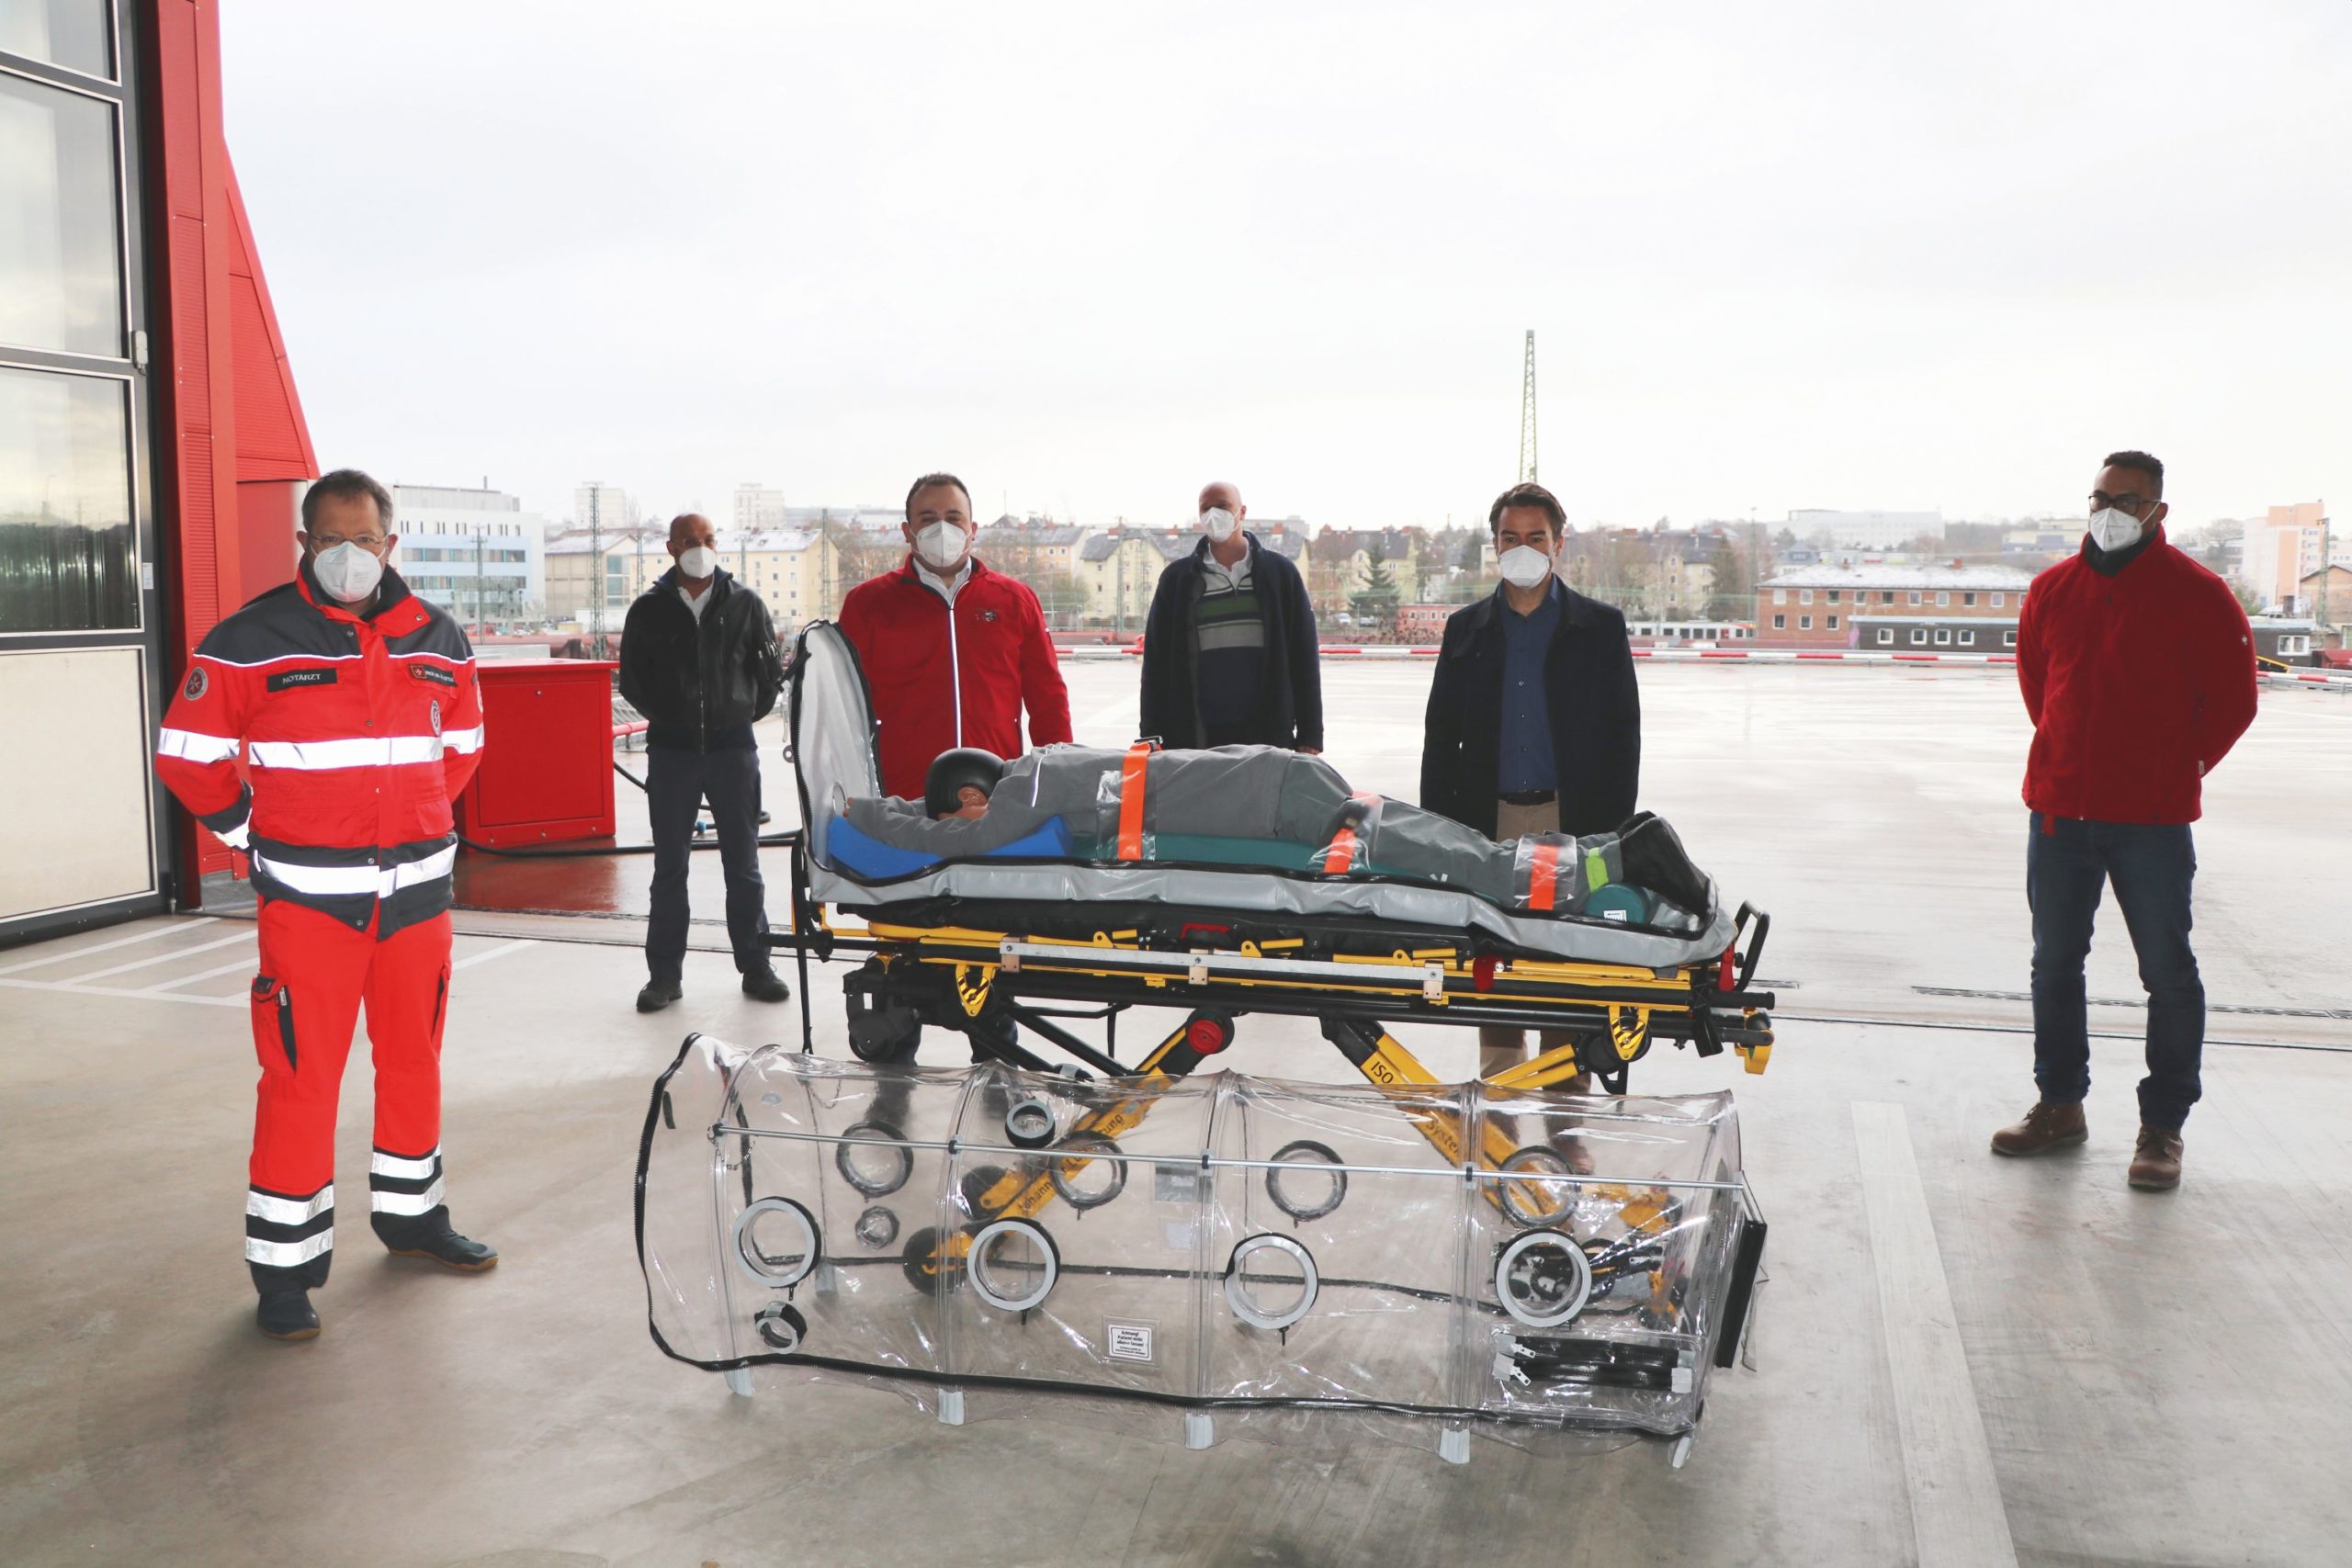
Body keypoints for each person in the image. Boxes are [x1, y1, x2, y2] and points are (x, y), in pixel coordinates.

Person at [154, 468, 494, 1342]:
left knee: (414, 1062)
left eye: (367, 539)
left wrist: (406, 830)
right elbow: (188, 756)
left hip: (416, 903)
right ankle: (285, 1270)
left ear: (392, 541)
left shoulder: (438, 635)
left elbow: (460, 750)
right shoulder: (250, 638)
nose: (351, 555)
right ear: (304, 543)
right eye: (331, 539)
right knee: (301, 1082)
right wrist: (255, 835)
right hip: (311, 908)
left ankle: (412, 1218)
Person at [1991, 451, 2256, 1192]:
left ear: (2158, 512)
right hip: (2060, 814)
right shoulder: (2051, 589)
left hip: (2151, 820)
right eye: (2101, 495)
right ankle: (2060, 1105)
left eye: (2128, 499)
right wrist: (2072, 761)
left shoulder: (2200, 595)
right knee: (2054, 964)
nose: (2110, 509)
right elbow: (2040, 687)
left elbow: (2233, 702)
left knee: (2168, 972)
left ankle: (2162, 1127)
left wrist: (2176, 769)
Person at [1421, 481, 1640, 1082]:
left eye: (1535, 537)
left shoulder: (1598, 628)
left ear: (1559, 544)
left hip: (1570, 822)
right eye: (1510, 538)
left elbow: (1623, 738)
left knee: (1565, 964)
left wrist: (1609, 833)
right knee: (1496, 966)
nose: (1523, 548)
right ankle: (1499, 1102)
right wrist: (1440, 832)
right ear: (1494, 546)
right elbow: (1439, 740)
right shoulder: (1465, 630)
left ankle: (1567, 1110)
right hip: (1487, 825)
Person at [616, 513, 792, 1013]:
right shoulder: (649, 610)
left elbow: (766, 678)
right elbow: (633, 680)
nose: (701, 547)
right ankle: (663, 977)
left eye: (709, 539)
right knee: (669, 866)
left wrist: (732, 717)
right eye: (690, 541)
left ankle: (756, 965)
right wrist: (673, 718)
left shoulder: (746, 604)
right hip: (671, 752)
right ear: (671, 548)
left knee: (745, 863)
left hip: (732, 749)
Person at [837, 472, 1073, 798]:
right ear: (908, 531)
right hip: (902, 796)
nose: (942, 528)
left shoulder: (1014, 601)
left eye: (953, 517)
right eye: (928, 518)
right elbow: (844, 708)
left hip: (997, 790)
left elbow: (1048, 699)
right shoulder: (868, 604)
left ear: (972, 530)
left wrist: (1060, 779)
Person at [1138, 481, 1323, 751]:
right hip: (1194, 738)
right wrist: (1150, 736)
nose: (1214, 514)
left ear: (1242, 511)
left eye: (1223, 506)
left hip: (1267, 735)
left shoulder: (1281, 576)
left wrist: (1310, 735)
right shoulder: (1177, 581)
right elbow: (1155, 665)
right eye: (1206, 508)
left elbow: (1304, 658)